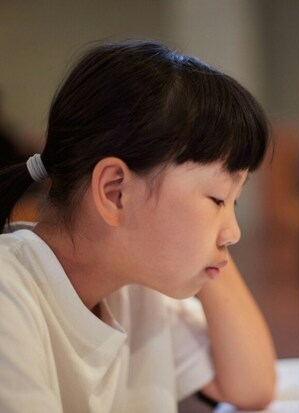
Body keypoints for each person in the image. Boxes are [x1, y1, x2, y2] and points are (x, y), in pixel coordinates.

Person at [0, 40, 276, 412]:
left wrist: (210, 252)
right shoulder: (8, 297)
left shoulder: (135, 288)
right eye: (217, 199)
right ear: (115, 192)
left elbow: (252, 386)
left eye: (235, 201)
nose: (234, 233)